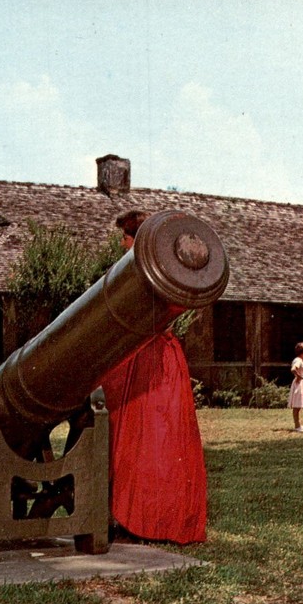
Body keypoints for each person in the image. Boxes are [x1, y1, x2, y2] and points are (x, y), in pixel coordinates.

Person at [98, 209, 208, 544]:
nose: (122, 243)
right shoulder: (163, 272)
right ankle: (138, 516)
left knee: (146, 440)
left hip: (147, 357)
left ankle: (146, 520)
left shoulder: (144, 273)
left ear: (138, 239)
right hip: (156, 358)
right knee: (147, 438)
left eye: (126, 237)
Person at [289, 342, 303, 432]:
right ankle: (297, 425)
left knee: (300, 405)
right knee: (297, 405)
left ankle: (299, 424)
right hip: (299, 383)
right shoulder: (297, 360)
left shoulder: (302, 360)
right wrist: (298, 376)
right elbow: (293, 369)